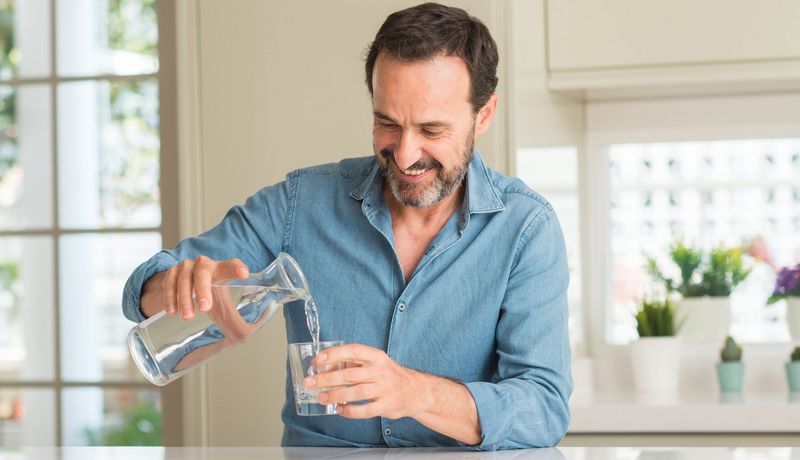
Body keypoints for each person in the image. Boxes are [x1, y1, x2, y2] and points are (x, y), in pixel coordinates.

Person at [122, 2, 571, 450]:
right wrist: (177, 286)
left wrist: (412, 392)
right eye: (386, 123)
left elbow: (544, 409)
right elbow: (140, 291)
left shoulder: (526, 229)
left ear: (485, 114)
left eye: (432, 130)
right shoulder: (301, 203)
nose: (405, 154)